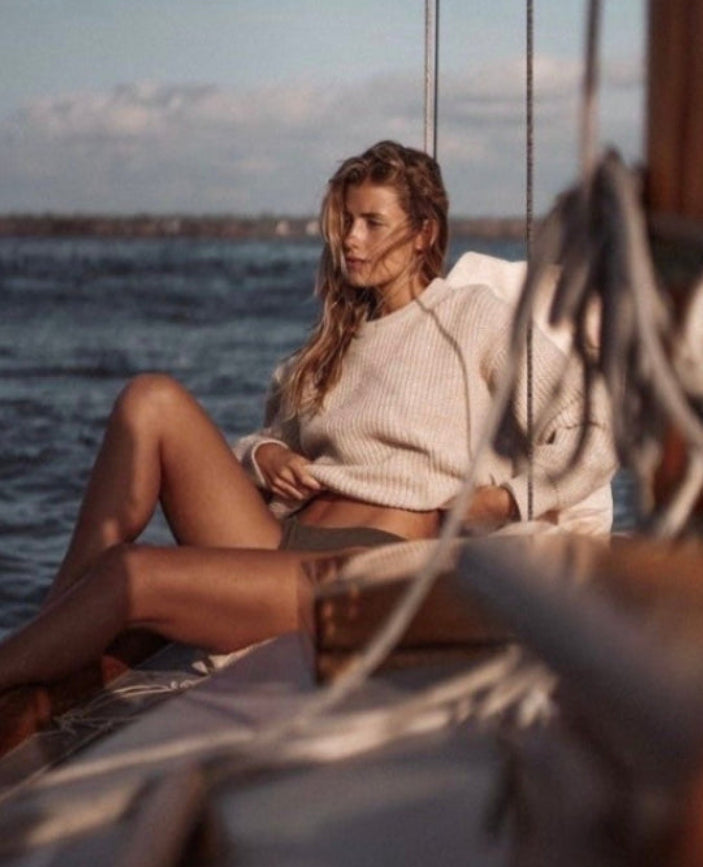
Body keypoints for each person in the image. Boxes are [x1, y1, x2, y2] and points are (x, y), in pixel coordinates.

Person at [0, 141, 616, 691]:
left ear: (424, 233)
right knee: (150, 398)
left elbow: (588, 434)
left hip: (361, 567)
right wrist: (264, 457)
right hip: (277, 538)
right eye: (347, 222)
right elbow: (266, 440)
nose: (351, 239)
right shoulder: (337, 341)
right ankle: (54, 632)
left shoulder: (472, 319)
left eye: (374, 224)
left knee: (132, 573)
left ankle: (22, 662)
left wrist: (502, 502)